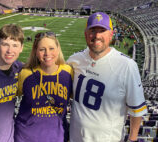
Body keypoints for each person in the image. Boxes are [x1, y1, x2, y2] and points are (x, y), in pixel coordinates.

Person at [67, 12, 147, 142]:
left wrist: (132, 139)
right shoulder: (74, 60)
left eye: (102, 31)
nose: (97, 35)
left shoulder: (127, 66)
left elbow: (136, 109)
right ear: (86, 34)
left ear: (111, 35)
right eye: (93, 30)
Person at [14, 32, 73, 142]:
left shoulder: (69, 72)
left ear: (58, 49)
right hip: (25, 137)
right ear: (35, 52)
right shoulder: (25, 73)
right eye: (42, 49)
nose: (47, 53)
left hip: (57, 137)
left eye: (51, 48)